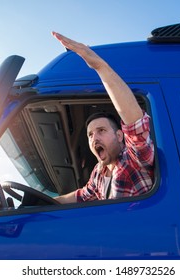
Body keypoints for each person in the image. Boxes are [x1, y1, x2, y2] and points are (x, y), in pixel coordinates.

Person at [52, 32, 154, 203]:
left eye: (101, 130)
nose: (94, 138)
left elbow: (136, 127)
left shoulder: (132, 160)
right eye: (90, 135)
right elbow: (80, 196)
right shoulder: (99, 172)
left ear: (120, 135)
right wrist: (44, 202)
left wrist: (100, 66)